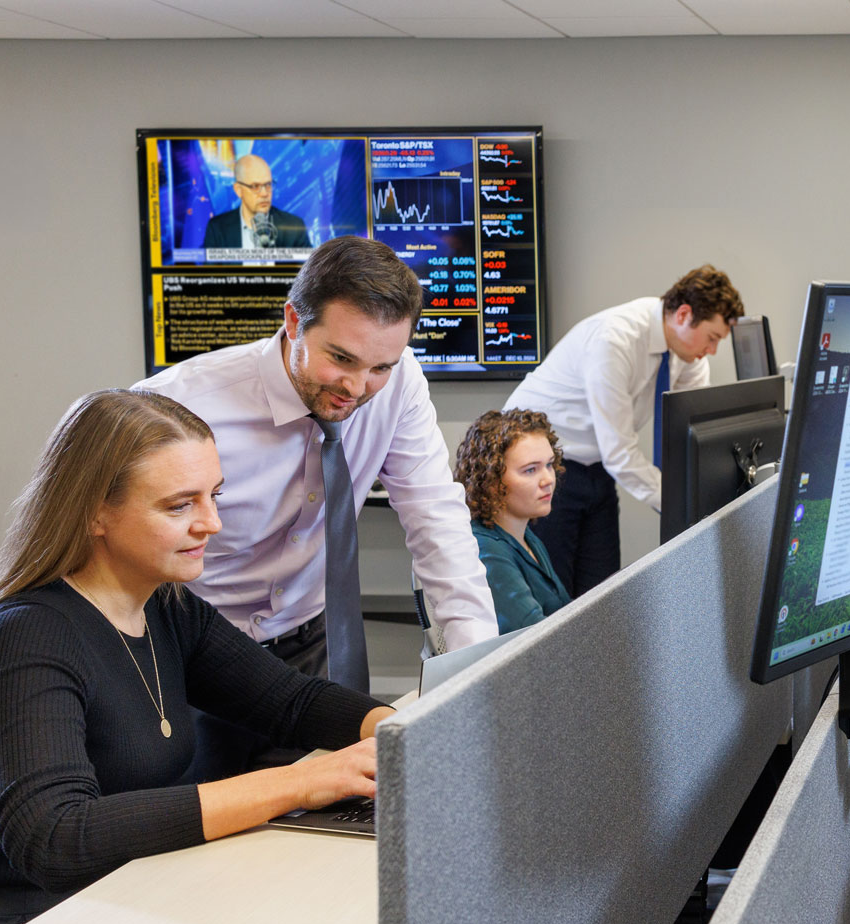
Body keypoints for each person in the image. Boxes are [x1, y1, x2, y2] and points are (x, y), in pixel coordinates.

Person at [0, 391, 392, 924]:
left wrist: (401, 730)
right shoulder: (23, 638)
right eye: (180, 506)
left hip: (118, 908)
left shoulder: (166, 609)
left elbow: (292, 702)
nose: (212, 523)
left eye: (213, 495)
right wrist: (298, 783)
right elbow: (56, 839)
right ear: (96, 513)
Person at [138, 236, 497, 712]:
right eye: (342, 358)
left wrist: (476, 665)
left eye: (379, 367)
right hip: (191, 649)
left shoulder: (401, 381)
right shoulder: (174, 405)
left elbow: (436, 520)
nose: (356, 387)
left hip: (310, 643)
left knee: (339, 781)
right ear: (293, 322)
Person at [504, 265, 745, 597]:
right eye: (713, 338)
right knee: (555, 598)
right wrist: (684, 506)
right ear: (684, 314)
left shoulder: (688, 355)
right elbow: (620, 452)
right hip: (544, 466)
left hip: (596, 464)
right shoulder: (615, 339)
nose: (713, 350)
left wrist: (708, 490)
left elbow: (695, 430)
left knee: (601, 594)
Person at [455, 409, 571, 634]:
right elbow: (533, 640)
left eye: (549, 464)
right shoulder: (487, 550)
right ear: (491, 480)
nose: (548, 479)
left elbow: (563, 614)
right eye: (530, 470)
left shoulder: (526, 536)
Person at [200, 153, 311, 250]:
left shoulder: (294, 226)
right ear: (238, 190)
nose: (264, 193)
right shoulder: (217, 229)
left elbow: (309, 272)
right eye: (255, 186)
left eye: (268, 185)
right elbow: (210, 273)